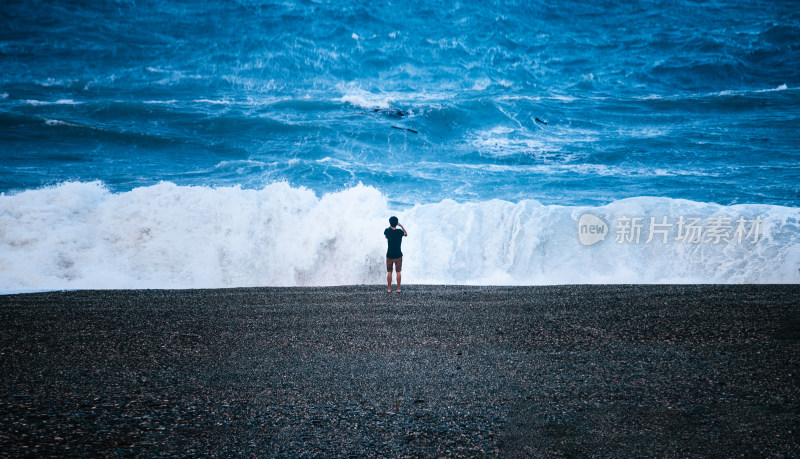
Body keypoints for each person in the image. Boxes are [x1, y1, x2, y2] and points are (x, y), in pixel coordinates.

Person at [384, 216, 407, 293]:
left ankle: (389, 289)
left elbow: (386, 234)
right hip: (398, 254)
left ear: (390, 223)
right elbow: (406, 234)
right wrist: (401, 226)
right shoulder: (400, 232)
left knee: (389, 272)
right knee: (398, 272)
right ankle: (398, 289)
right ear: (397, 223)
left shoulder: (387, 231)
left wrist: (391, 225)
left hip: (389, 254)